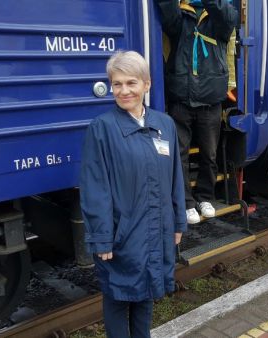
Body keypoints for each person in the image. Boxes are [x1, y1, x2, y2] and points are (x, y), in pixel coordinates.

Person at [80, 50, 187, 338]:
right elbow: (95, 188)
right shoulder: (102, 128)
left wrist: (178, 221)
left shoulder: (164, 124)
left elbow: (176, 176)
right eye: (117, 84)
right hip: (122, 232)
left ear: (146, 84)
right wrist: (102, 236)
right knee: (117, 297)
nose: (124, 91)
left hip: (157, 227)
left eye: (131, 83)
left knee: (146, 291)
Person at [154, 0, 238, 224]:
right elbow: (168, 17)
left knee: (209, 155)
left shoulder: (221, 15)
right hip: (181, 99)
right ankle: (187, 202)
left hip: (211, 100)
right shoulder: (181, 15)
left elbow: (228, 18)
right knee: (178, 155)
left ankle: (205, 197)